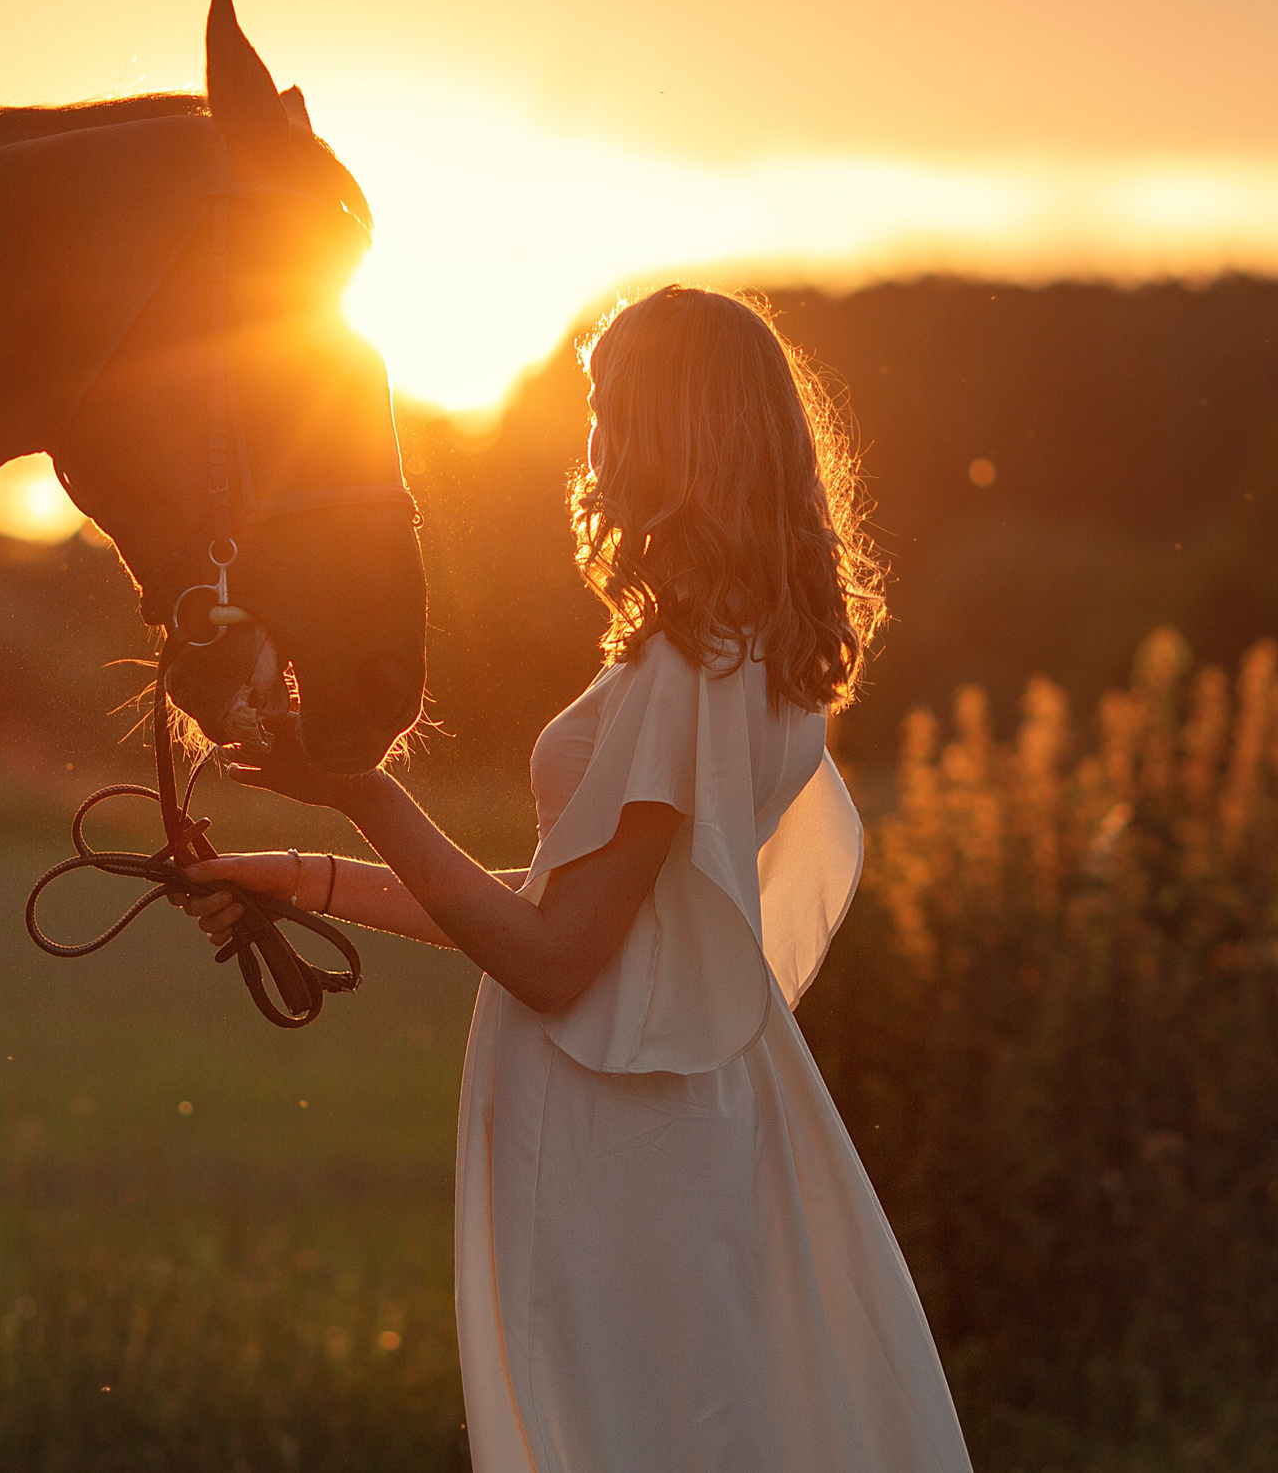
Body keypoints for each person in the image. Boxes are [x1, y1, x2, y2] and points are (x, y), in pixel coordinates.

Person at [180, 285, 974, 1471]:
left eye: (606, 411)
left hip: (622, 1141)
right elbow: (571, 902)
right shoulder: (749, 645)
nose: (589, 446)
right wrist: (302, 875)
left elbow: (553, 960)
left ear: (668, 429)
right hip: (685, 1111)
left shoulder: (687, 661)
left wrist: (356, 788)